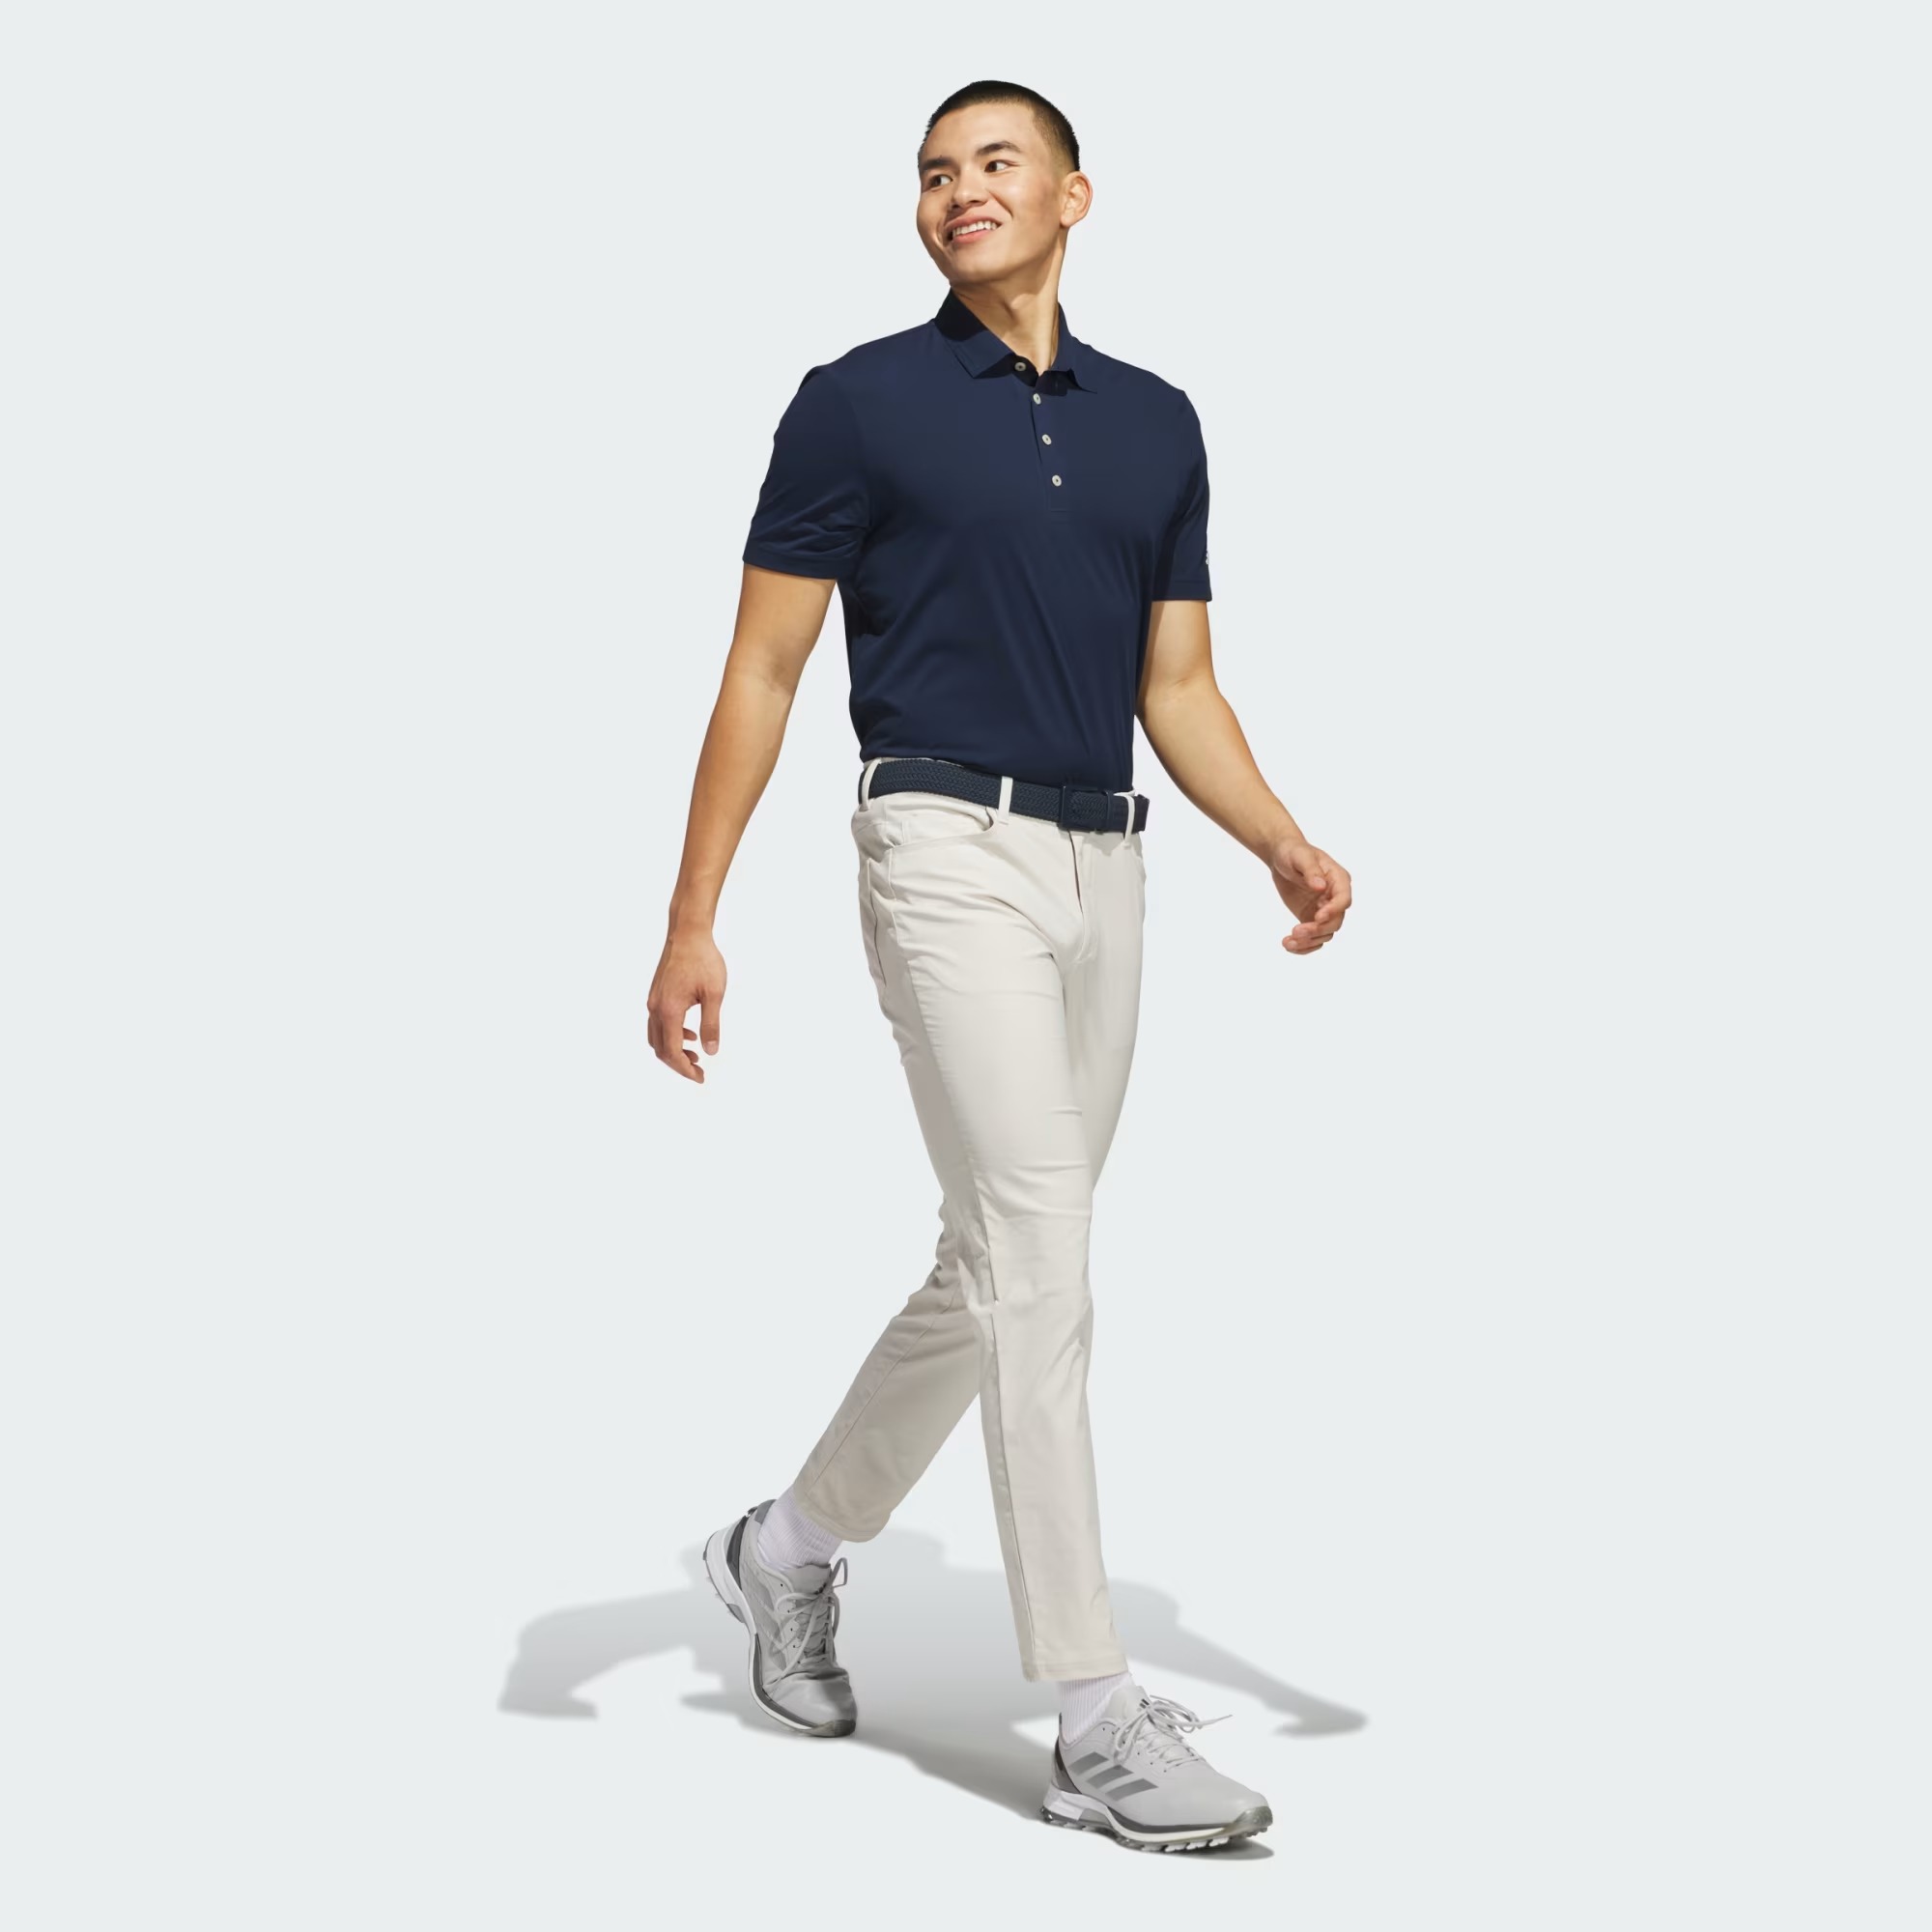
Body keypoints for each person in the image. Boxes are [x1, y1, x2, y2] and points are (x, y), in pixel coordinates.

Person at [650, 79, 1351, 1853]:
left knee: (993, 1266)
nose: (959, 190)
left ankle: (787, 1548)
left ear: (1073, 197)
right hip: (938, 840)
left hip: (1107, 861)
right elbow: (762, 670)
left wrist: (1275, 835)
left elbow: (1176, 685)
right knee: (1043, 1257)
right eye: (933, 172)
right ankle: (1096, 1716)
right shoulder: (857, 403)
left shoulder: (1156, 423)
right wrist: (693, 914)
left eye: (995, 164)